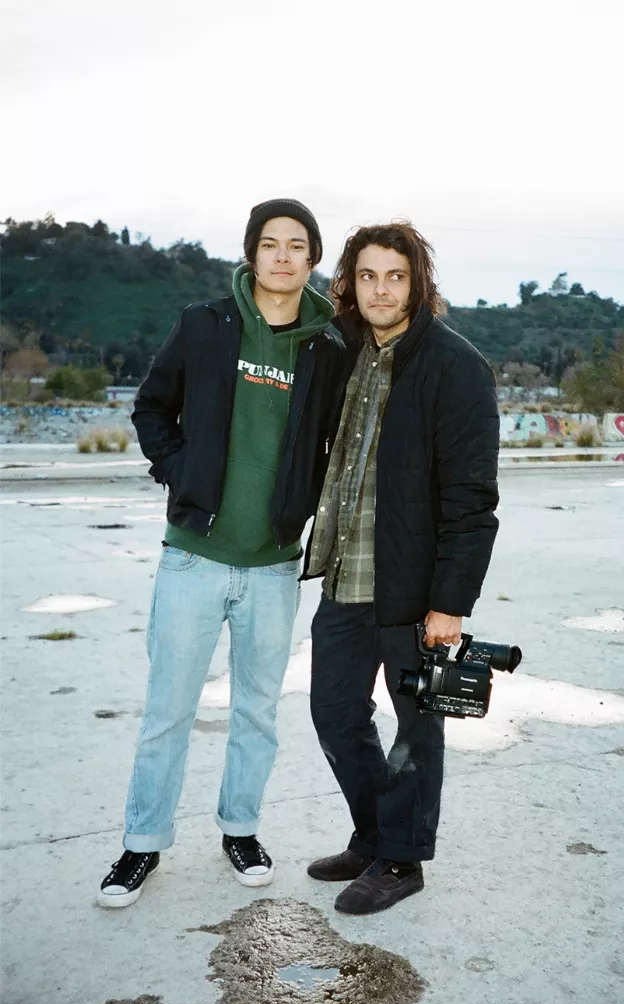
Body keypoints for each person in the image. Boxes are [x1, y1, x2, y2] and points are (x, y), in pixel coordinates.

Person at [97, 199, 345, 907]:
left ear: (312, 258)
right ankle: (141, 846)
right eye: (270, 244)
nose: (283, 256)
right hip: (194, 558)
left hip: (272, 566)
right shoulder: (204, 326)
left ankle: (241, 829)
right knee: (168, 710)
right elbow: (151, 407)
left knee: (257, 713)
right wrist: (180, 470)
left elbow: (330, 444)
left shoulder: (326, 350)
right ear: (250, 252)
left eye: (298, 245)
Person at [304, 221, 500, 915]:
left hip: (412, 587)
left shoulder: (455, 365)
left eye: (395, 275)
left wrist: (450, 603)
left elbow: (473, 498)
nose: (381, 289)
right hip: (344, 574)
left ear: (418, 281)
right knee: (333, 711)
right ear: (350, 283)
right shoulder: (346, 352)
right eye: (367, 275)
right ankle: (372, 834)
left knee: (416, 724)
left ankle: (402, 859)